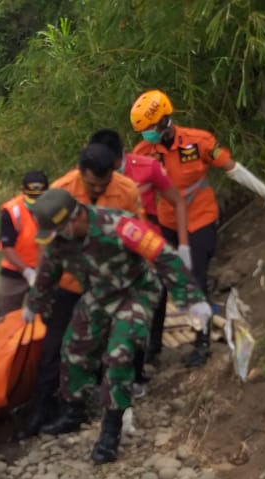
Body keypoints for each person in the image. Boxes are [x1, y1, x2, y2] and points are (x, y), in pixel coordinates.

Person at [21, 189, 210, 465]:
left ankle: (111, 430)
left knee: (119, 355)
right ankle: (74, 412)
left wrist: (192, 298)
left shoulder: (120, 226)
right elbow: (49, 272)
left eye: (60, 229)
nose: (57, 236)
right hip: (99, 293)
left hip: (136, 292)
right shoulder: (60, 238)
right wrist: (33, 305)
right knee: (73, 349)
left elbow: (162, 255)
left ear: (74, 219)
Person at [130, 89, 265, 367]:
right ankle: (151, 346)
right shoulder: (145, 152)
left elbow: (233, 169)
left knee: (196, 281)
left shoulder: (198, 142)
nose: (147, 136)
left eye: (150, 129)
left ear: (165, 120)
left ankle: (201, 342)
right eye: (143, 132)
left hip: (200, 220)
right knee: (157, 284)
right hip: (166, 223)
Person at [16, 143, 143, 440]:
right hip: (69, 283)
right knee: (54, 347)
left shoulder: (126, 192)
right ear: (80, 172)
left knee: (110, 346)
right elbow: (47, 247)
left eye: (103, 183)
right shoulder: (61, 191)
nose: (97, 189)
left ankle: (102, 405)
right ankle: (46, 408)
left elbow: (137, 236)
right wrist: (38, 295)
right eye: (91, 183)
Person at [87, 127, 189, 387]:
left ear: (121, 155)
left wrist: (183, 245)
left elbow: (176, 201)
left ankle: (142, 364)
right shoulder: (89, 176)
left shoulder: (148, 167)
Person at [0, 170, 49, 319]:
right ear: (23, 192)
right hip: (14, 270)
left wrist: (40, 272)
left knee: (48, 316)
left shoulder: (54, 208)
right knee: (4, 318)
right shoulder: (12, 211)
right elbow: (7, 247)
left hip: (45, 270)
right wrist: (27, 271)